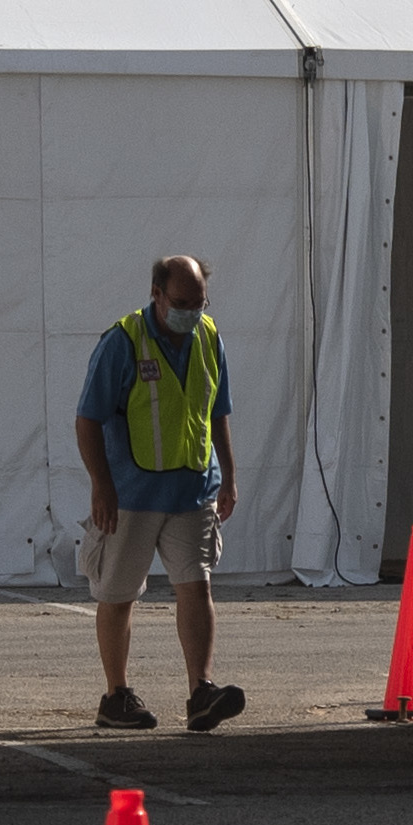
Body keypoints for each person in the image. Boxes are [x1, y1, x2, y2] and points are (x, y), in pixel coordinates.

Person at [74, 251, 246, 733]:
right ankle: (116, 696)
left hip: (192, 488)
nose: (192, 311)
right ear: (156, 294)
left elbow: (217, 412)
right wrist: (101, 486)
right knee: (119, 593)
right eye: (183, 302)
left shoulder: (208, 338)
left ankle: (201, 691)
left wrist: (228, 474)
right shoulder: (122, 342)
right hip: (131, 494)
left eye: (200, 302)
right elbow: (87, 420)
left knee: (197, 585)